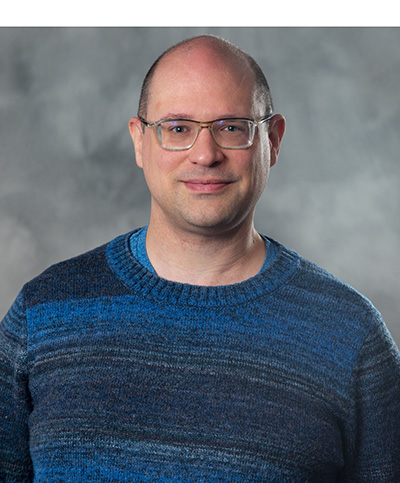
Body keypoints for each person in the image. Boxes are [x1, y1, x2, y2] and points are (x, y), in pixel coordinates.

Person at [1, 34, 399, 483]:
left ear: (273, 140)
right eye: (177, 129)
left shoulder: (350, 336)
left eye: (231, 127)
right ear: (139, 141)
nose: (205, 154)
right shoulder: (43, 315)